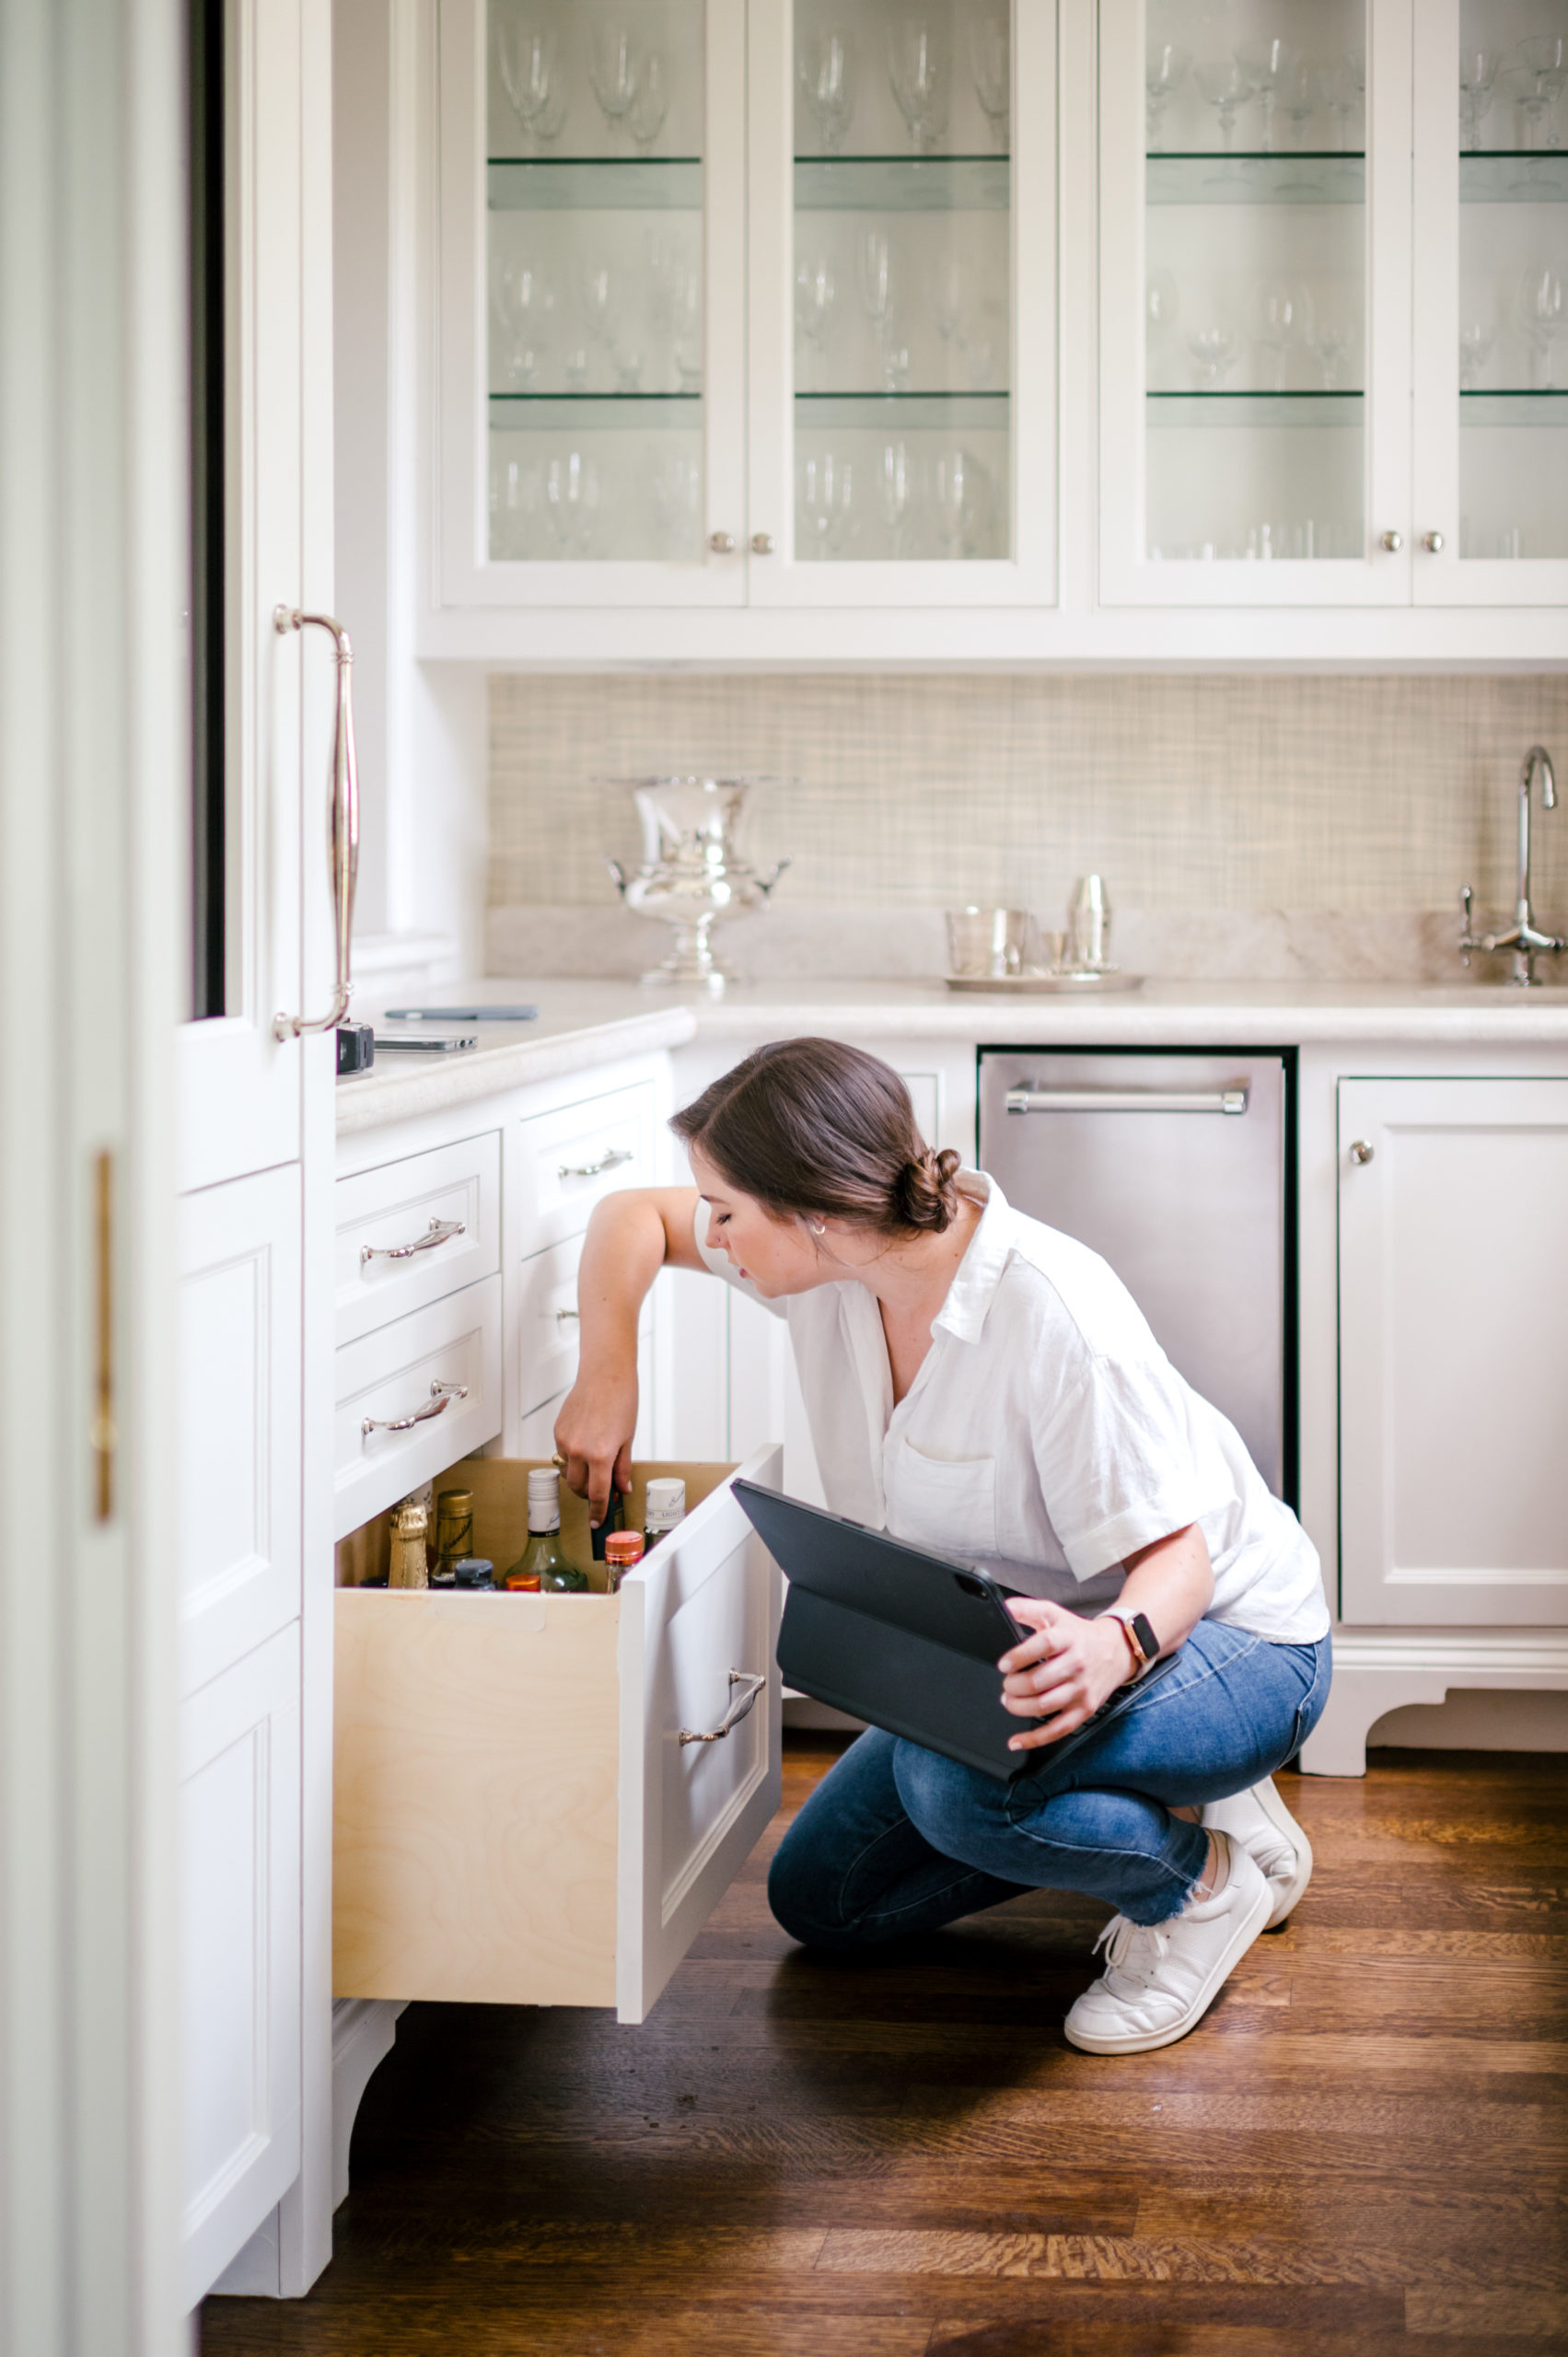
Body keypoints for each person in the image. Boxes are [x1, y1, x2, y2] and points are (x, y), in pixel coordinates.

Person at [555, 1038, 1331, 2054]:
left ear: (814, 1212)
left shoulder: (1049, 1313)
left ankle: (1194, 1886)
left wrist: (1109, 1652)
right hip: (1021, 1649)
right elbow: (629, 1219)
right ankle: (1163, 1796)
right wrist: (607, 1370)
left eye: (729, 1212)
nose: (713, 1234)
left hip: (1225, 1638)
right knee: (821, 1899)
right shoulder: (836, 1260)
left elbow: (1177, 1564)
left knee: (953, 1790)